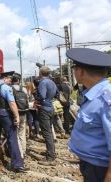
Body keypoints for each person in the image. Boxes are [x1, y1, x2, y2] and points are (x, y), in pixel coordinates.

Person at [67, 48, 111, 182]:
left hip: (100, 169)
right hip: (91, 165)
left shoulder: (106, 99)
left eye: (74, 68)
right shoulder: (93, 94)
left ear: (80, 71)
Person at [0, 71, 28, 173]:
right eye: (9, 79)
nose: (10, 81)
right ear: (4, 78)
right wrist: (17, 116)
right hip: (4, 114)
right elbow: (12, 103)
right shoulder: (5, 88)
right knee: (12, 137)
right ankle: (17, 164)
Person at [35, 66, 58, 166]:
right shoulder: (52, 82)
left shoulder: (42, 82)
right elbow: (57, 94)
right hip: (51, 108)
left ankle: (50, 157)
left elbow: (41, 96)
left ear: (40, 73)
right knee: (49, 131)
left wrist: (36, 100)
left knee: (47, 132)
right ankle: (51, 152)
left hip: (44, 109)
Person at [12, 73, 28, 158]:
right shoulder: (24, 89)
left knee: (16, 134)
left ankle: (20, 153)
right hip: (24, 112)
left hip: (15, 114)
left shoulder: (10, 89)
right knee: (22, 133)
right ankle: (24, 150)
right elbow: (27, 100)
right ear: (19, 80)